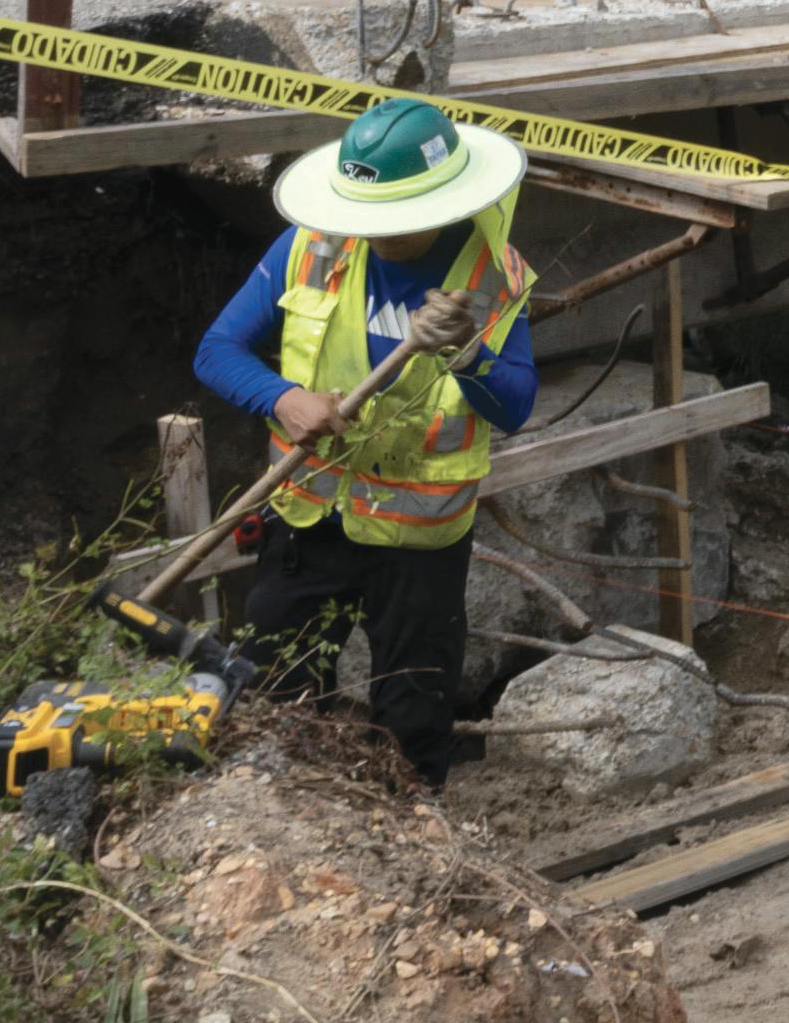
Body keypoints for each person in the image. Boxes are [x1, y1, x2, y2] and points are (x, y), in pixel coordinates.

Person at [192, 95, 537, 785]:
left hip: (419, 544)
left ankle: (414, 830)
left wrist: (468, 354)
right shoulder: (314, 244)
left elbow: (516, 406)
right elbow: (217, 349)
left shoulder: (490, 276)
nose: (376, 235)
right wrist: (282, 398)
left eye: (394, 220)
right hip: (307, 521)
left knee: (413, 717)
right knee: (274, 693)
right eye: (366, 216)